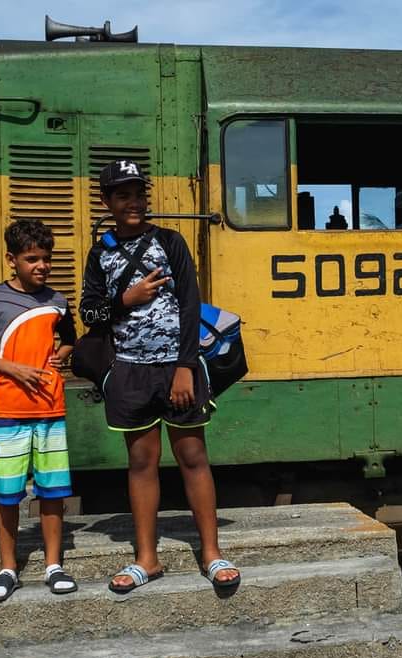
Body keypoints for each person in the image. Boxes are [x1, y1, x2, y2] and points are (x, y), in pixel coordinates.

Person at [79, 159, 240, 594]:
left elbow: (190, 304)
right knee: (141, 463)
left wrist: (186, 366)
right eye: (122, 195)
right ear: (107, 201)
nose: (133, 202)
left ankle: (211, 553)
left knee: (193, 458)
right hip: (130, 371)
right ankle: (146, 560)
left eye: (138, 193)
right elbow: (89, 313)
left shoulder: (169, 241)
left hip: (176, 368)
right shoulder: (101, 253)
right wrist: (125, 298)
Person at [0, 219, 78, 603]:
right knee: (7, 494)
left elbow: (70, 342)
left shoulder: (58, 302)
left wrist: (58, 358)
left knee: (51, 492)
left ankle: (53, 565)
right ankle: (8, 568)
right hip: (7, 410)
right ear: (12, 259)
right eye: (32, 259)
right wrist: (12, 368)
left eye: (47, 259)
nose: (41, 266)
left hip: (50, 409)